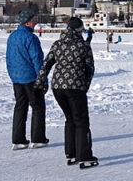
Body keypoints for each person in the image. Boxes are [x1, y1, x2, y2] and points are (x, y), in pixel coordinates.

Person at [37, 17, 97, 167]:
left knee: (70, 119)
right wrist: (85, 85)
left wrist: (39, 82)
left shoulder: (57, 44)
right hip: (75, 87)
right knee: (81, 121)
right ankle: (84, 156)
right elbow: (89, 68)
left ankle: (71, 153)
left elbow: (46, 64)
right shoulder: (83, 46)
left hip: (58, 87)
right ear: (79, 31)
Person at [5, 10, 48, 150]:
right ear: (28, 21)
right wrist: (43, 79)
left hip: (17, 78)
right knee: (38, 107)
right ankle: (38, 138)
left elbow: (9, 58)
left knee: (20, 107)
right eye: (34, 19)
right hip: (30, 78)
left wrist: (12, 74)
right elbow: (37, 60)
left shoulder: (12, 36)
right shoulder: (31, 37)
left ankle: (18, 140)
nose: (36, 22)